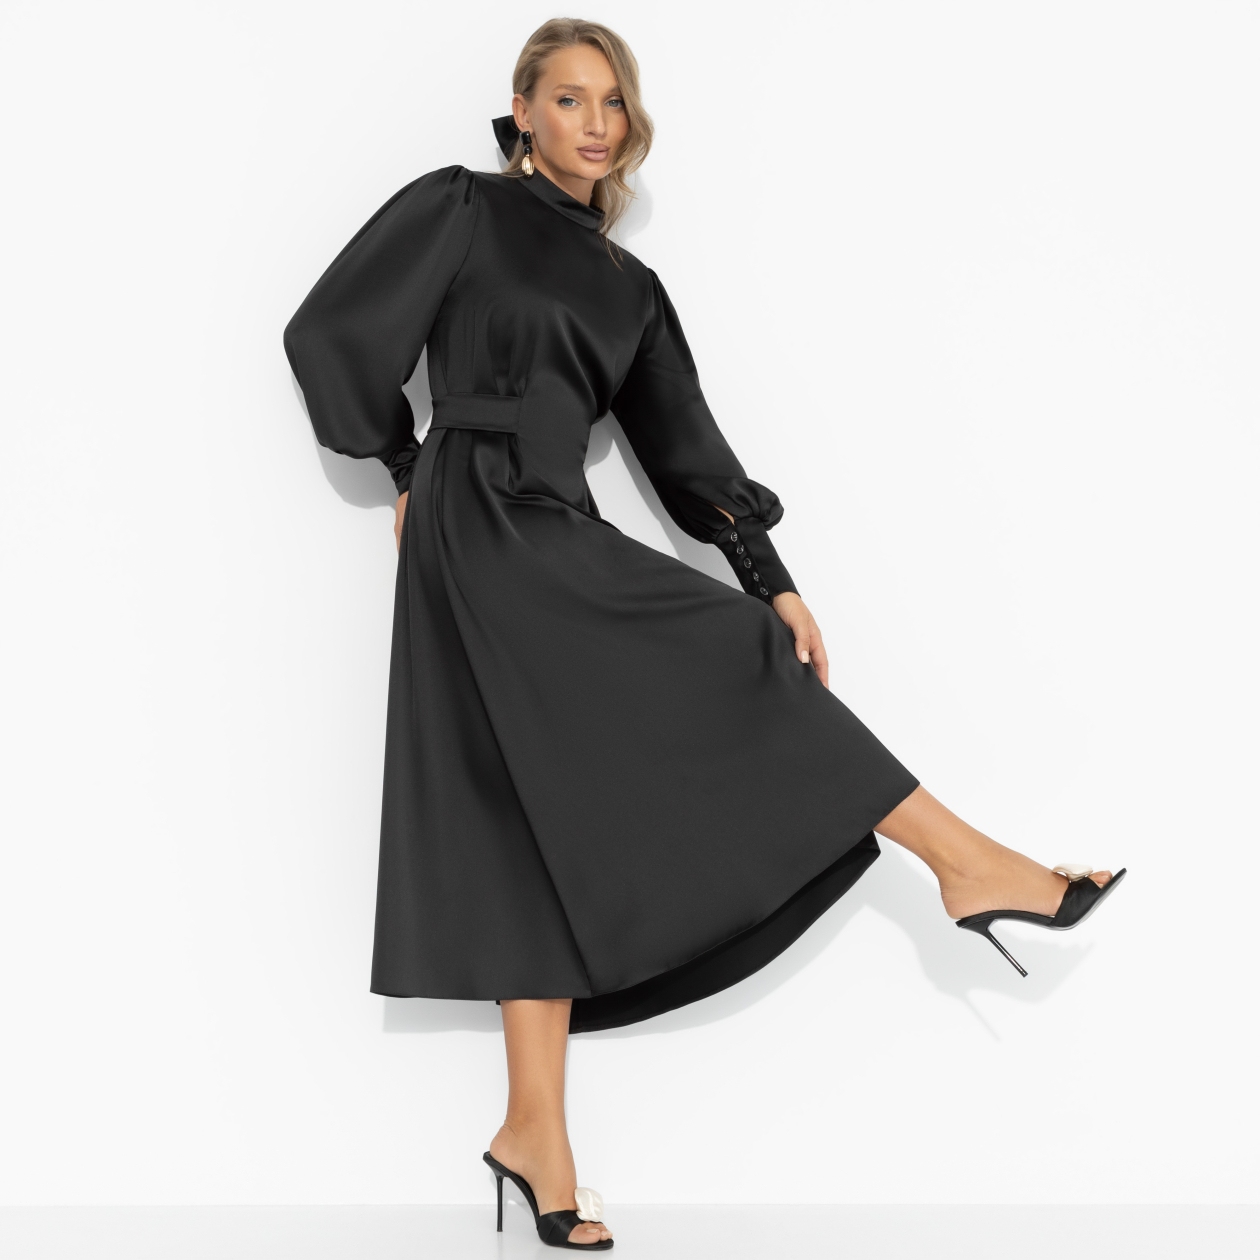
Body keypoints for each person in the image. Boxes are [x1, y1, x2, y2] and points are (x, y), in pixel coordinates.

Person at [283, 17, 1124, 1251]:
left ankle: (535, 1132)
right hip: (478, 517)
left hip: (551, 514)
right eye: (569, 98)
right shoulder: (464, 205)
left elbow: (686, 447)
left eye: (612, 102)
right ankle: (967, 864)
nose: (594, 121)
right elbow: (328, 331)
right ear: (523, 113)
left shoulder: (630, 290)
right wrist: (405, 466)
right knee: (682, 682)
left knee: (527, 802)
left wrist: (769, 580)